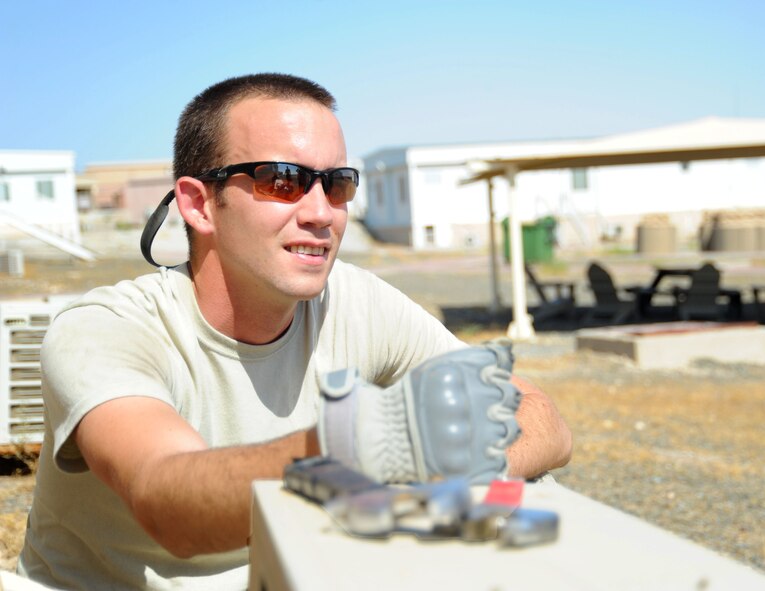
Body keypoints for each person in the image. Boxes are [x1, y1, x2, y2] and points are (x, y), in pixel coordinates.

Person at [18, 73, 572, 590]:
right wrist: (361, 447)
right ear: (198, 204)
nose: (321, 212)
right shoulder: (106, 330)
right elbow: (169, 503)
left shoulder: (355, 301)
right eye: (282, 180)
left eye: (337, 184)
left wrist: (448, 468)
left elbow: (540, 418)